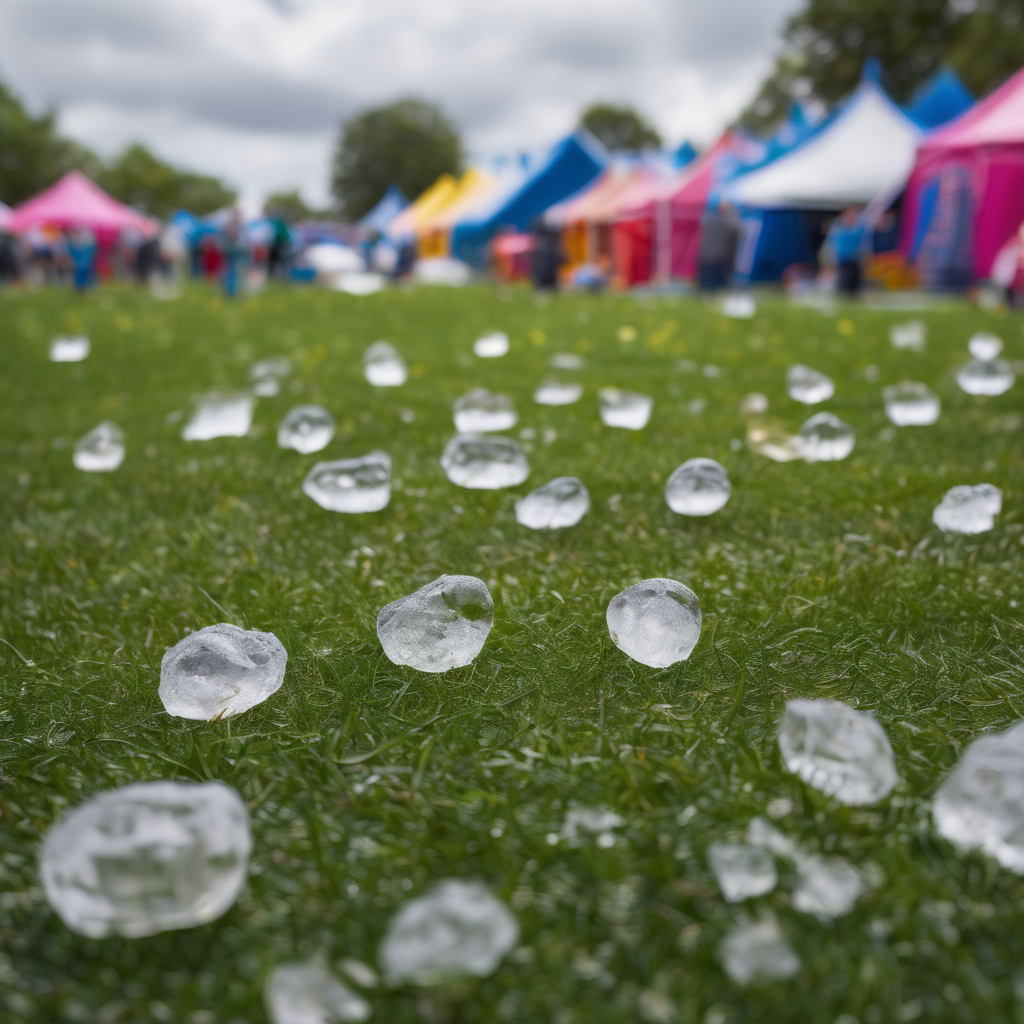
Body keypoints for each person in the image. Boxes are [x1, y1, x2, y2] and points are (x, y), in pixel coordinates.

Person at [697, 199, 741, 291]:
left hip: (706, 257)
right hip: (721, 258)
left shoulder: (707, 219)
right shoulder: (731, 222)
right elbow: (734, 241)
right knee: (720, 286)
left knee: (707, 286)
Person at [826, 206, 866, 297]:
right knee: (844, 286)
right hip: (843, 261)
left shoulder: (860, 228)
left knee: (855, 287)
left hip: (856, 260)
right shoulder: (838, 228)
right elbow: (832, 245)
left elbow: (863, 244)